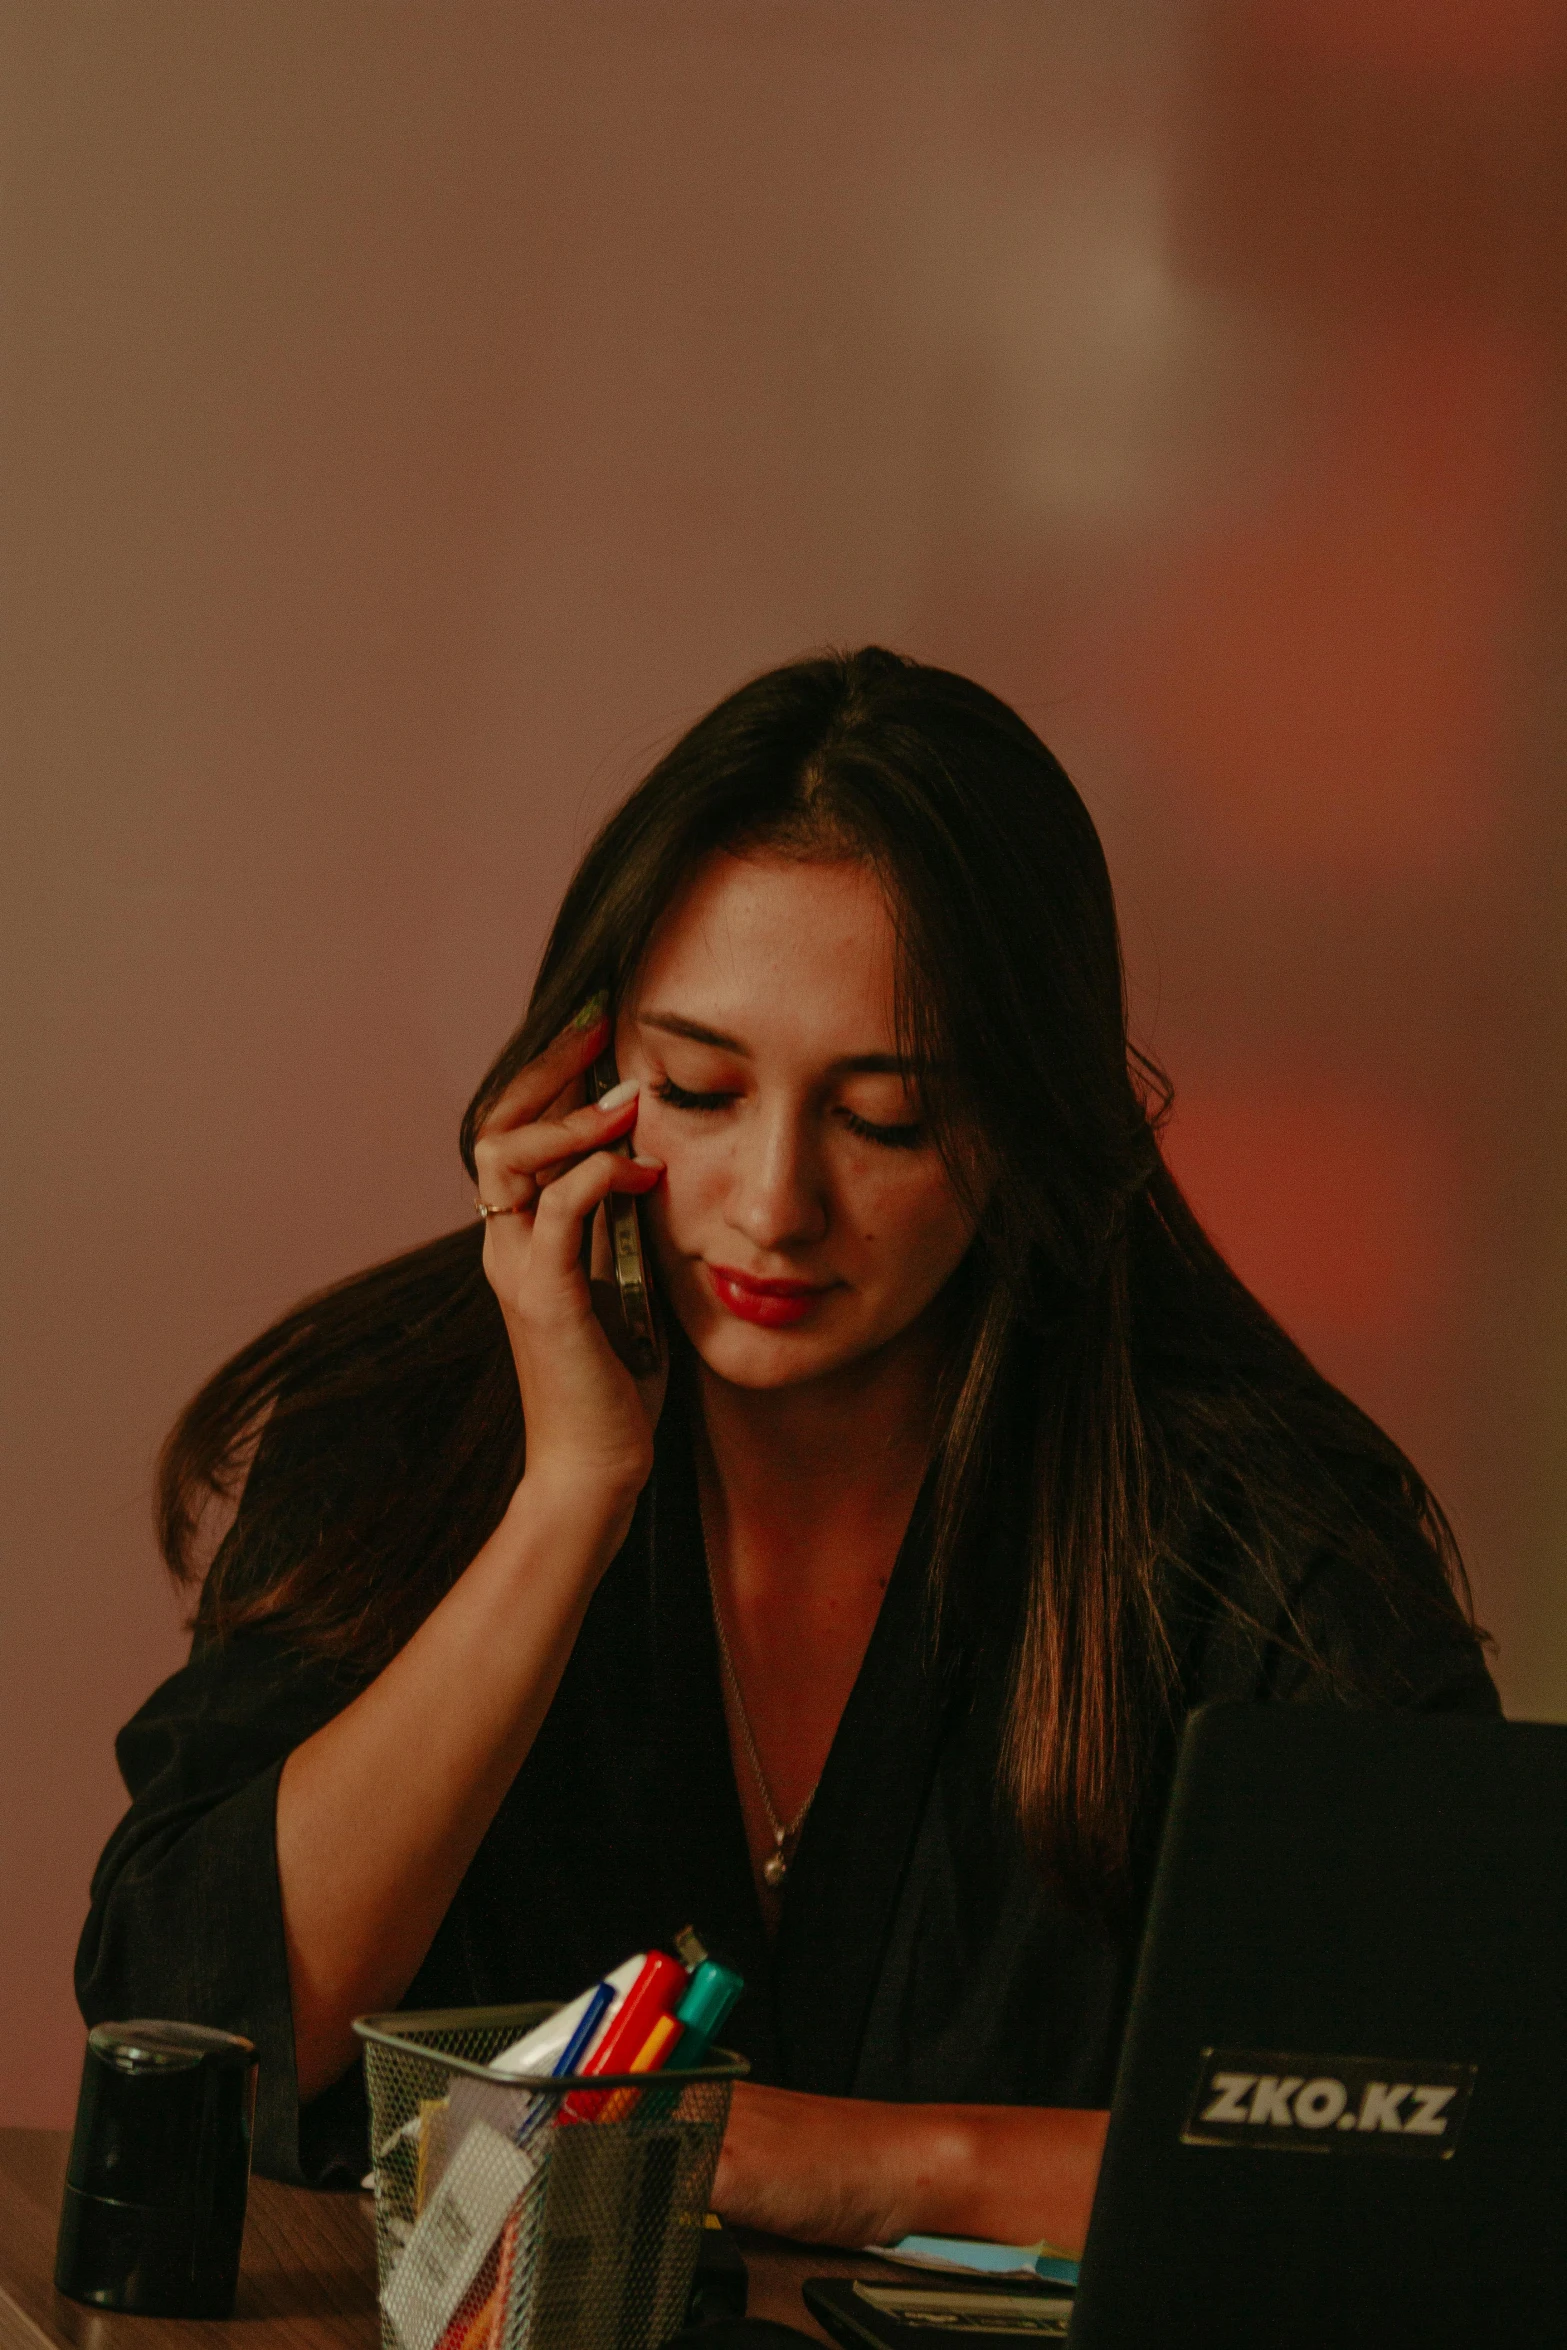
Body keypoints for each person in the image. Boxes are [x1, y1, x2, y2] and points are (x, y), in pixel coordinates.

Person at [77, 647, 1497, 2252]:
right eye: (696, 1086)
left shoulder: (1253, 1532)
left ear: (1032, 1117)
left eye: (883, 1117)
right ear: (587, 1070)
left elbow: (1437, 2140)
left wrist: (874, 2162)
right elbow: (204, 2030)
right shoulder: (398, 1422)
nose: (771, 1203)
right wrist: (570, 1498)